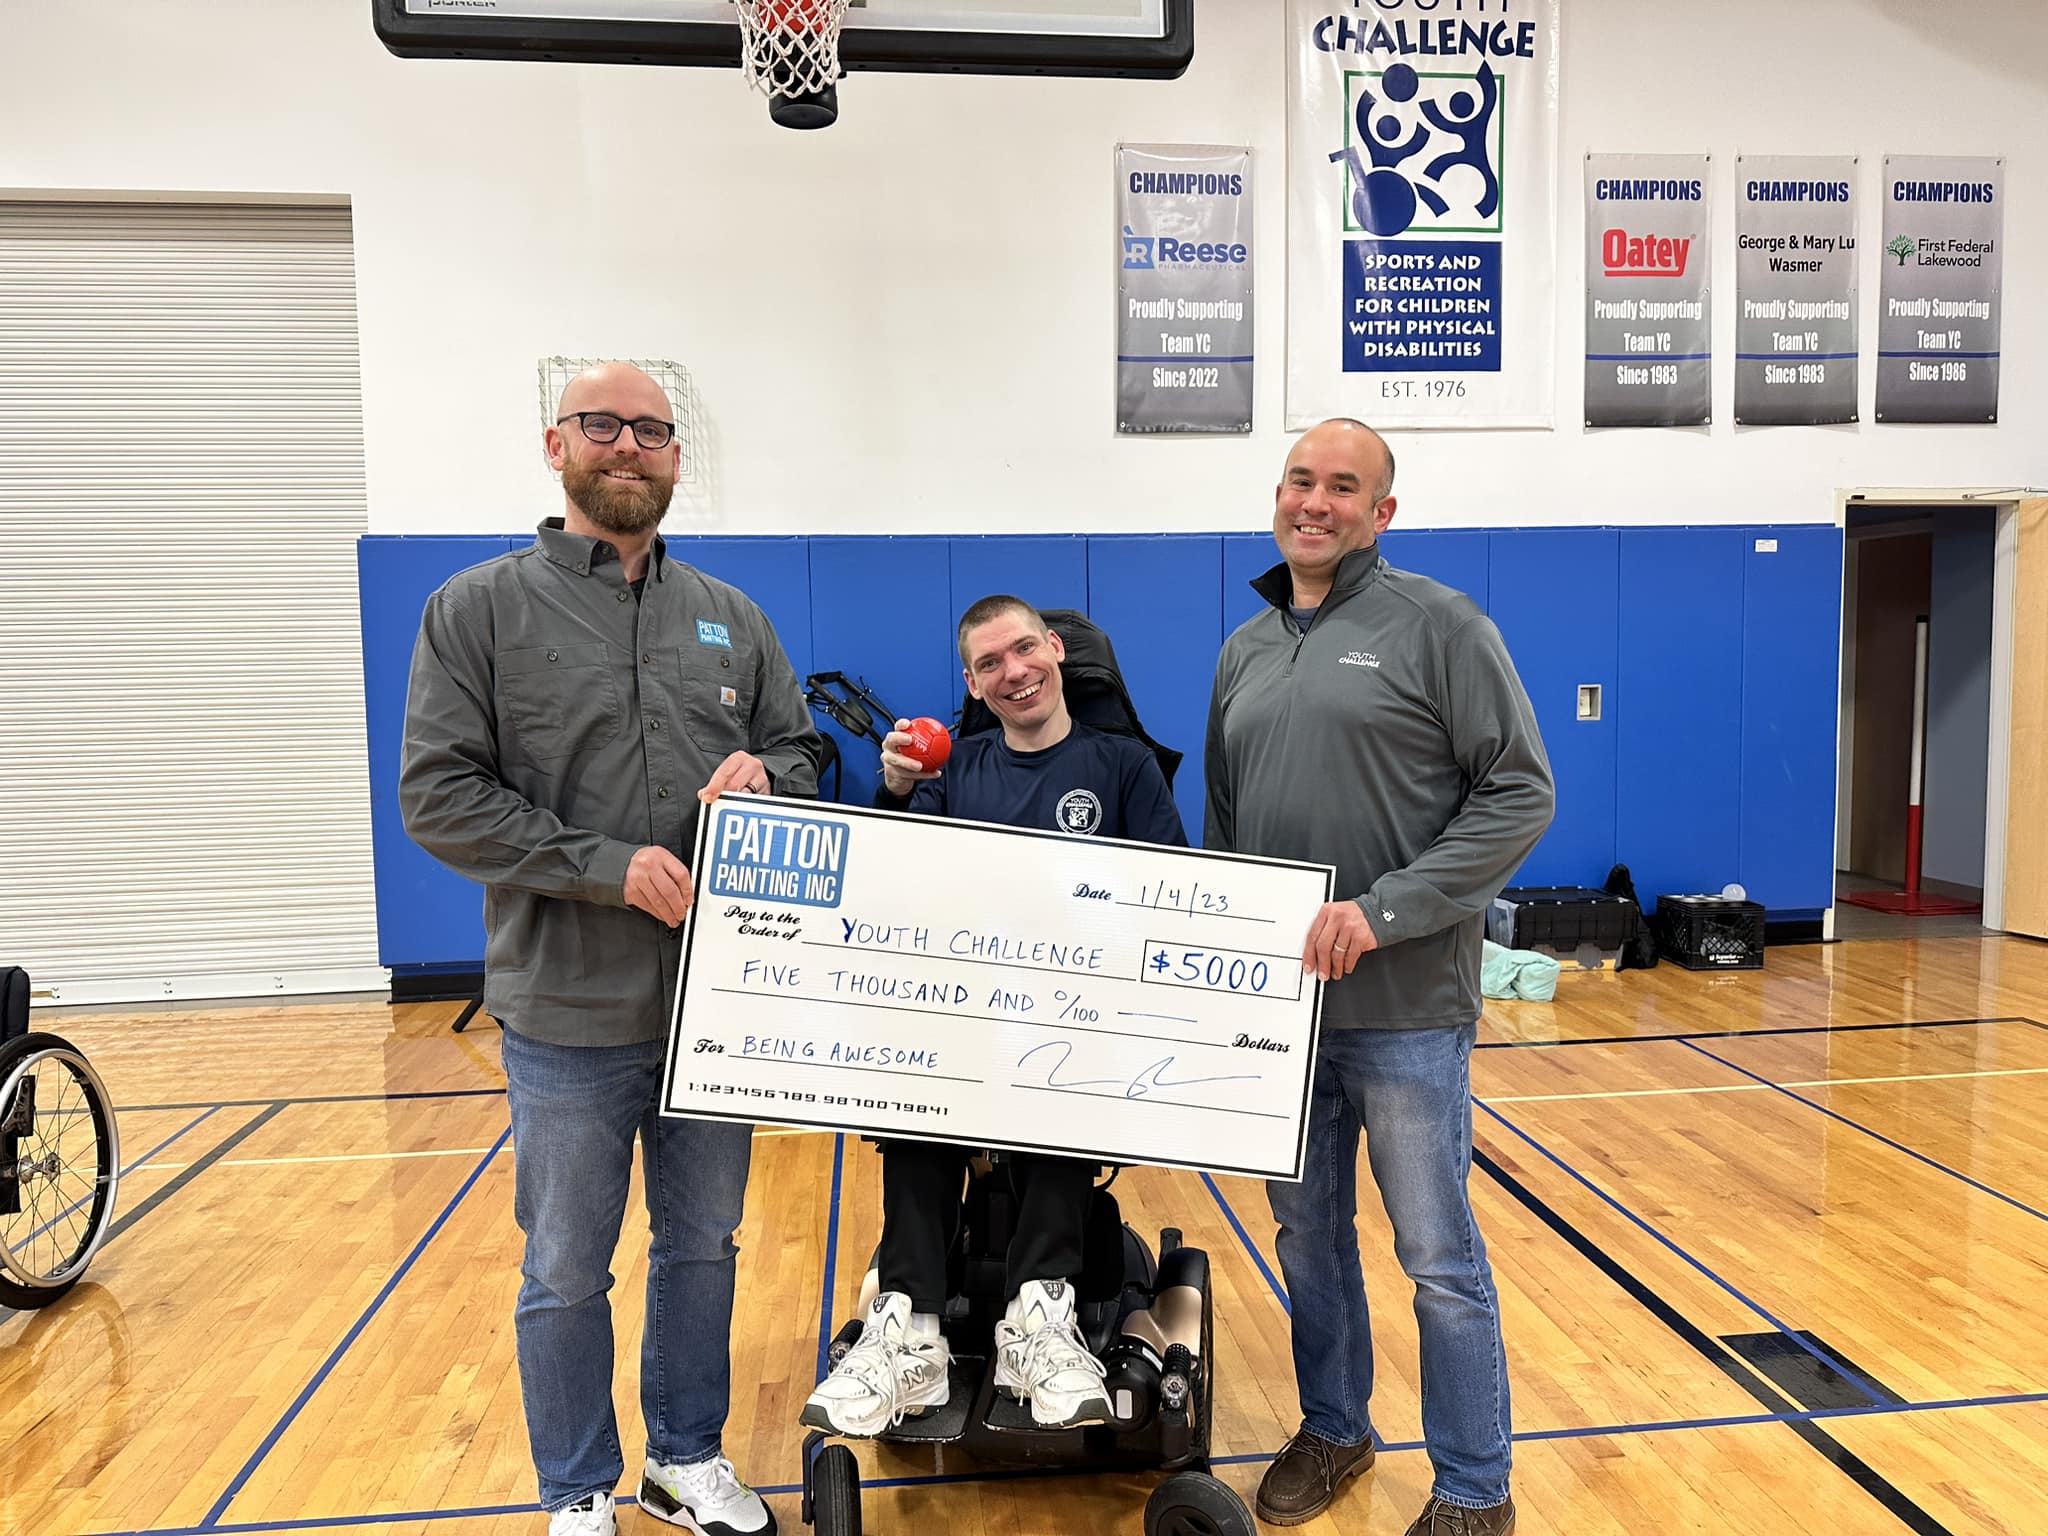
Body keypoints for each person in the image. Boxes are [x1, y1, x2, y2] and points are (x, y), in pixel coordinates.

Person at [401, 362, 822, 1536]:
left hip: (714, 1009)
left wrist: (771, 776)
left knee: (702, 1245)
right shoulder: (476, 609)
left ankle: (684, 1458)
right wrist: (605, 867)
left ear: (677, 458)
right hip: (566, 1012)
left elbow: (801, 754)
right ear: (555, 446)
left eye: (652, 431)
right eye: (603, 426)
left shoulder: (733, 619)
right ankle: (576, 1488)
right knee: (563, 1267)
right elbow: (437, 797)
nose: (627, 446)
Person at [1204, 419, 1553, 1536]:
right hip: (1281, 1022)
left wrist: (1383, 909)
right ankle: (1335, 1428)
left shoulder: (1438, 625)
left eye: (1342, 487)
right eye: (1299, 481)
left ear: (1380, 512)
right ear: (1277, 496)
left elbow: (1517, 793)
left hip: (1404, 1015)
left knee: (1436, 1256)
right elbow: (1222, 830)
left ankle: (1471, 1489)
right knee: (1308, 1241)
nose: (1315, 502)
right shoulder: (1245, 648)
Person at [801, 595, 1187, 1437]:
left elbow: (1172, 898)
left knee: (1055, 1079)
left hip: (1075, 1025)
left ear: (1054, 650)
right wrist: (896, 792)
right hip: (967, 1025)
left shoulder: (1124, 766)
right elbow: (893, 887)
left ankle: (1041, 1319)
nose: (1013, 673)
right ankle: (910, 1330)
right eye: (989, 664)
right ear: (973, 685)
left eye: (1024, 651)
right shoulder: (953, 771)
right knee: (912, 1089)